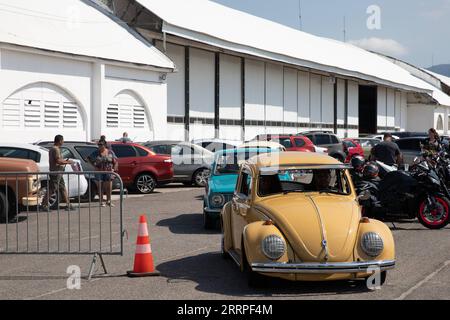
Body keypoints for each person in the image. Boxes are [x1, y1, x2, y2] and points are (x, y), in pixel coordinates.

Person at [43, 135, 75, 211]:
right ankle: (44, 205)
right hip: (56, 173)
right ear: (60, 141)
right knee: (52, 189)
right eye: (63, 140)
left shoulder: (53, 149)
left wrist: (64, 161)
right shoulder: (55, 149)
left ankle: (68, 205)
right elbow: (58, 161)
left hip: (58, 172)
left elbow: (58, 160)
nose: (63, 142)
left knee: (63, 188)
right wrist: (67, 162)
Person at [89, 141, 118, 207]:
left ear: (104, 145)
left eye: (101, 145)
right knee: (100, 187)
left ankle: (109, 201)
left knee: (109, 187)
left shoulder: (110, 152)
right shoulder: (96, 152)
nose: (99, 146)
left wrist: (114, 169)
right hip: (99, 172)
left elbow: (115, 161)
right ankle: (101, 201)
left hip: (108, 171)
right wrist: (94, 166)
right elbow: (88, 158)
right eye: (98, 145)